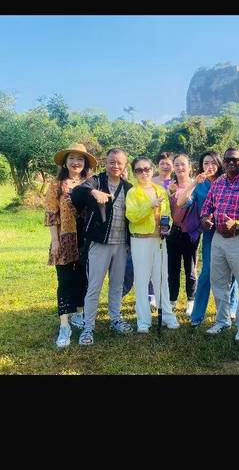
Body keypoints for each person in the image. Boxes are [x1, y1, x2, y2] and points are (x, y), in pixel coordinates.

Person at [200, 147, 239, 341]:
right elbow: (207, 206)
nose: (231, 163)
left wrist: (237, 223)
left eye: (235, 160)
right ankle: (222, 321)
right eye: (228, 159)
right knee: (218, 281)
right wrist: (205, 218)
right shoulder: (218, 183)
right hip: (219, 238)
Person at [70, 148, 133, 345]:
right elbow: (76, 193)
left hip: (121, 245)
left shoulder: (128, 187)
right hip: (99, 244)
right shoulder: (96, 181)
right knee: (94, 287)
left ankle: (115, 319)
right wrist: (93, 191)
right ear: (106, 162)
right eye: (111, 161)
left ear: (125, 165)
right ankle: (88, 327)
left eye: (119, 162)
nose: (115, 165)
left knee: (116, 285)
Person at [175, 150, 239, 327]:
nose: (209, 167)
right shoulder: (200, 184)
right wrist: (193, 183)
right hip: (210, 234)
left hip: (231, 231)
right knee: (207, 274)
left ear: (219, 164)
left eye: (212, 163)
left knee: (232, 271)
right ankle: (197, 315)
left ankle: (232, 308)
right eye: (205, 163)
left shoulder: (228, 180)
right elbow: (181, 202)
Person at [45, 142, 97, 348]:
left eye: (80, 159)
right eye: (72, 158)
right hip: (65, 240)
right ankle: (64, 325)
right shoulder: (57, 184)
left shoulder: (91, 183)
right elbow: (51, 215)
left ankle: (78, 313)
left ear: (85, 163)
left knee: (83, 279)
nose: (76, 162)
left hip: (86, 240)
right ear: (65, 162)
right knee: (65, 282)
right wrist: (55, 241)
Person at [125, 155, 173, 334]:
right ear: (134, 173)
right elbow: (132, 215)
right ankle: (143, 321)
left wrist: (167, 226)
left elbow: (168, 214)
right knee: (142, 280)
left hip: (159, 240)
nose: (144, 172)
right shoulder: (132, 192)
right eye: (139, 170)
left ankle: (167, 315)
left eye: (147, 169)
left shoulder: (160, 190)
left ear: (152, 170)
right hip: (140, 240)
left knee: (162, 279)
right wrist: (149, 205)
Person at [166, 154, 200, 316]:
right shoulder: (170, 187)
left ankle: (191, 300)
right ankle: (172, 299)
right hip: (173, 233)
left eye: (183, 165)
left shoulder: (198, 186)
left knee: (190, 269)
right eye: (177, 165)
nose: (180, 168)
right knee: (172, 268)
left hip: (191, 234)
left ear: (190, 167)